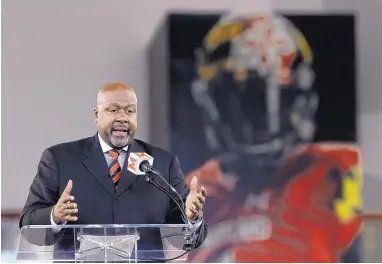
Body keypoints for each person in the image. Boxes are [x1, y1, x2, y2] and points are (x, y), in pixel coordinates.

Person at [181, 14, 362, 262]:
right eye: (242, 101)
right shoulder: (190, 193)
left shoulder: (340, 172)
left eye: (275, 98)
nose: (259, 121)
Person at [19, 82, 208, 261]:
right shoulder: (59, 159)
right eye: (113, 109)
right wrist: (54, 216)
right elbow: (28, 224)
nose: (122, 117)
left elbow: (183, 239)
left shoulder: (163, 163)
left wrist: (191, 219)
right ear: (96, 115)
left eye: (130, 111)